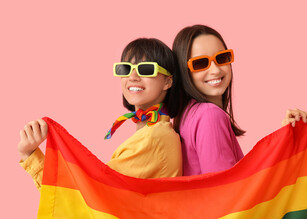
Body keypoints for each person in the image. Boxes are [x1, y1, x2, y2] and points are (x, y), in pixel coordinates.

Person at [18, 38, 183, 190]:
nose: (133, 76)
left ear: (168, 81)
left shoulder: (153, 138)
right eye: (125, 68)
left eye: (146, 69)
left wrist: (30, 154)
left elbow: (90, 194)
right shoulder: (155, 132)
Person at [172, 24, 307, 176]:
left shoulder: (187, 115)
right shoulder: (209, 115)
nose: (215, 70)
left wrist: (287, 138)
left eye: (222, 58)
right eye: (200, 63)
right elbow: (228, 191)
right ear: (183, 70)